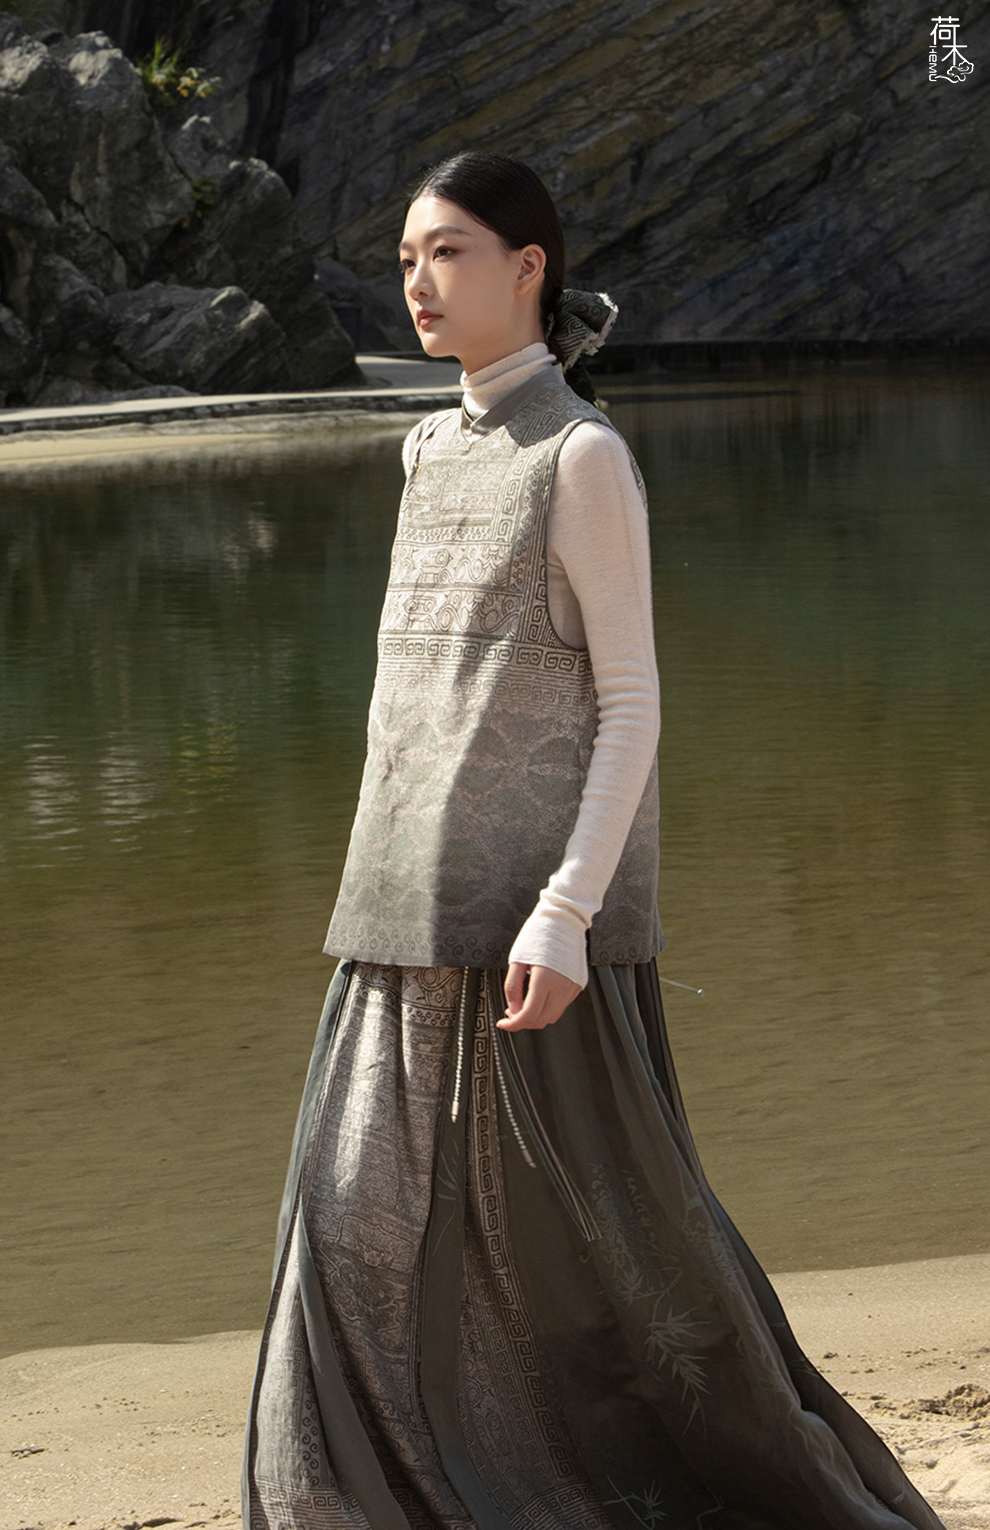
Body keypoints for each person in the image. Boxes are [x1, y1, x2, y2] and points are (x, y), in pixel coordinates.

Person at [243, 151, 945, 1530]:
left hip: (531, 935)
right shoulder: (424, 447)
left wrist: (565, 910)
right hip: (396, 908)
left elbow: (630, 703)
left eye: (448, 251)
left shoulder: (582, 457)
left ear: (529, 269)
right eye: (405, 257)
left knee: (610, 1256)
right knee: (346, 1221)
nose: (417, 281)